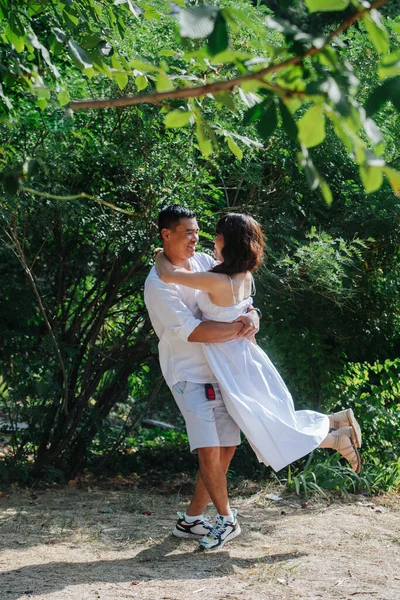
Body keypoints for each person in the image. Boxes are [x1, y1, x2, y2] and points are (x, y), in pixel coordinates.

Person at [155, 212, 362, 489]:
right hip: (242, 356)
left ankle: (336, 434)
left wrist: (158, 254)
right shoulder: (242, 276)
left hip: (233, 362)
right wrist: (253, 315)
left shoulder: (216, 280)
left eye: (217, 234)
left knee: (261, 423)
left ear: (228, 242)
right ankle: (334, 425)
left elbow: (168, 274)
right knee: (264, 419)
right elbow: (244, 307)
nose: (210, 239)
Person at [144, 205, 261, 551]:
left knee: (225, 450)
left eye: (198, 231)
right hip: (189, 375)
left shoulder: (198, 264)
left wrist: (252, 314)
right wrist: (240, 328)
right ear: (167, 235)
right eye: (188, 232)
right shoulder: (157, 286)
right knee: (209, 450)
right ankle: (227, 518)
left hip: (220, 372)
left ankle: (192, 520)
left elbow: (234, 292)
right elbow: (195, 331)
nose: (197, 238)